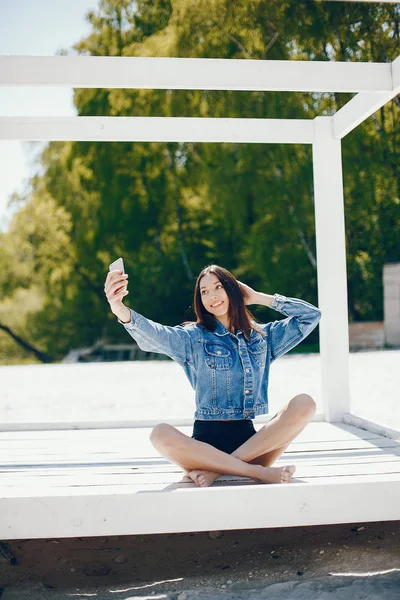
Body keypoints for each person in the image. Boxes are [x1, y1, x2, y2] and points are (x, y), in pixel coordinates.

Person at [104, 264, 321, 488]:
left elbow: (311, 316)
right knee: (159, 434)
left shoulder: (261, 337)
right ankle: (253, 472)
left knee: (305, 403)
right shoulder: (193, 338)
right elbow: (154, 334)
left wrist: (259, 297)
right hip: (202, 448)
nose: (212, 296)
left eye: (218, 287)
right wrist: (118, 307)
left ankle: (215, 471)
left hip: (251, 445)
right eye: (204, 291)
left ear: (233, 290)